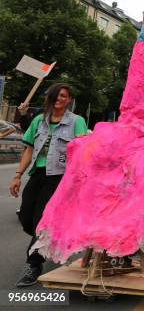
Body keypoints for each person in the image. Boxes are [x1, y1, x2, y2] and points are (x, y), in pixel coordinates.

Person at [8, 83, 88, 287]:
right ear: (49, 98)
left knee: (41, 222)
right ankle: (49, 238)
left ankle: (33, 265)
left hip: (60, 178)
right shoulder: (38, 121)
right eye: (56, 95)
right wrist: (18, 175)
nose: (60, 99)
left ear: (69, 100)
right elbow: (28, 149)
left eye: (64, 96)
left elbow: (81, 150)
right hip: (38, 174)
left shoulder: (76, 121)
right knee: (26, 217)